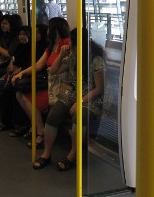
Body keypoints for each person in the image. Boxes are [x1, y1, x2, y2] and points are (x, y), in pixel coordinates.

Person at [32, 28, 105, 170]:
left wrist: (81, 101)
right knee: (53, 115)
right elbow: (53, 71)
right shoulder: (72, 57)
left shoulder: (95, 59)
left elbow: (99, 88)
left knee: (79, 117)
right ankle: (47, 153)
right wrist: (60, 55)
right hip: (73, 93)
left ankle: (73, 154)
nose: (68, 44)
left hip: (91, 99)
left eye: (71, 41)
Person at [12, 17, 70, 150]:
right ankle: (39, 128)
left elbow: (66, 67)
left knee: (31, 99)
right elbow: (38, 65)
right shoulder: (50, 47)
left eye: (50, 28)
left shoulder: (65, 44)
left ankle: (40, 133)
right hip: (50, 83)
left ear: (56, 29)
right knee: (20, 94)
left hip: (61, 85)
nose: (47, 31)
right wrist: (22, 73)